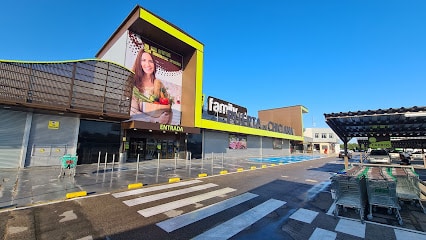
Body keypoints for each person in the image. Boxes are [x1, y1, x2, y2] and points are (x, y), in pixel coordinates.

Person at [131, 48, 172, 124]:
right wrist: (155, 120)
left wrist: (165, 117)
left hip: (158, 130)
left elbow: (168, 107)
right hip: (138, 128)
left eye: (151, 61)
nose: (148, 64)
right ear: (138, 63)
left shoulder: (159, 84)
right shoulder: (133, 83)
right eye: (144, 60)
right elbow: (133, 112)